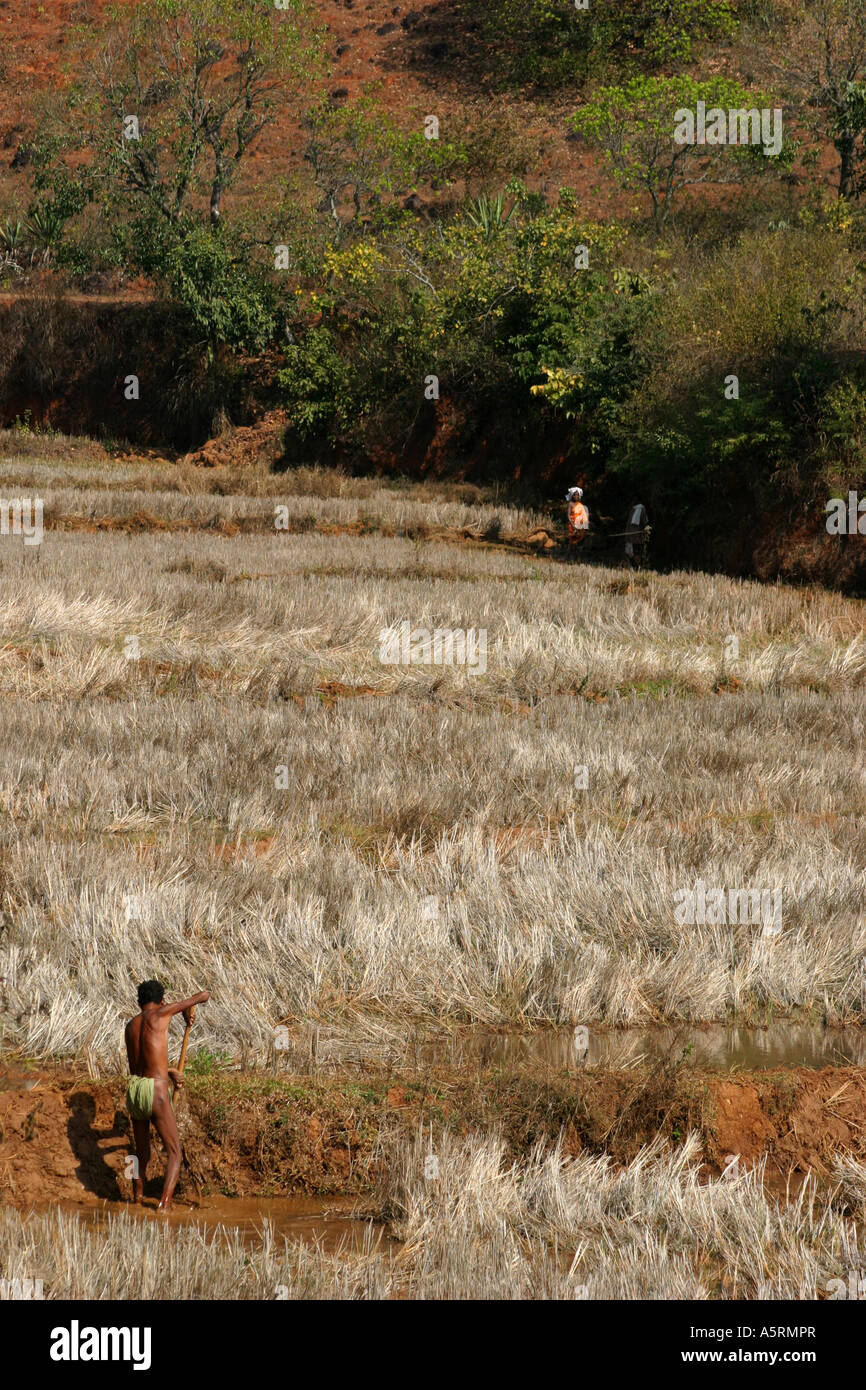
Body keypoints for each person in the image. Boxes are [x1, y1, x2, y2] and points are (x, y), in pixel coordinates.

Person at [124, 980, 210, 1211]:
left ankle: (137, 1198)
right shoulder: (162, 1012)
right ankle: (164, 1205)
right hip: (156, 1090)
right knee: (175, 1152)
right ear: (161, 1001)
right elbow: (200, 996)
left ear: (138, 1001)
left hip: (134, 1089)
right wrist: (187, 1007)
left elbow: (141, 1064)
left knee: (139, 1154)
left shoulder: (130, 1025)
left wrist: (170, 1071)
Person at [566, 486, 590, 551]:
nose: (576, 496)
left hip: (580, 526)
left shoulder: (581, 505)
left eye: (577, 495)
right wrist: (573, 526)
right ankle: (567, 556)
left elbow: (584, 516)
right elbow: (568, 515)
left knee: (580, 541)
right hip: (572, 526)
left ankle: (577, 558)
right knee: (572, 541)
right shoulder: (570, 504)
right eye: (574, 495)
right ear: (572, 496)